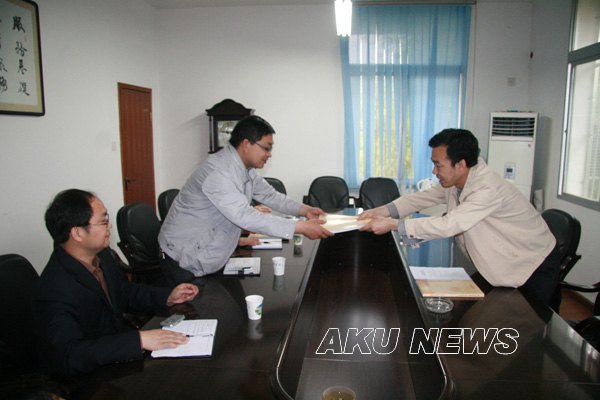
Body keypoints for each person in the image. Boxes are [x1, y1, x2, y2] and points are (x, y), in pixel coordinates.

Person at [358, 128, 560, 308]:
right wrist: (380, 211)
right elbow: (420, 198)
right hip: (504, 258)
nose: (434, 171)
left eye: (438, 165)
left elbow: (449, 224)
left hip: (532, 264)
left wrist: (393, 224)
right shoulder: (457, 181)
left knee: (532, 325)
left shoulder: (487, 188)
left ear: (461, 164)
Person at [35, 189, 199, 377]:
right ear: (78, 233)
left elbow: (123, 292)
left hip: (115, 360)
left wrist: (167, 296)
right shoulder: (54, 289)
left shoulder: (102, 256)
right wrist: (138, 341)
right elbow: (70, 355)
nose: (110, 226)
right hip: (89, 378)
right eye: (103, 221)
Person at [158, 115, 333, 283]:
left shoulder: (245, 169)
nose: (270, 154)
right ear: (246, 144)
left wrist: (304, 210)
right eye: (266, 148)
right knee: (195, 303)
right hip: (182, 256)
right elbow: (244, 215)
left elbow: (269, 195)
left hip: (208, 252)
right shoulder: (219, 172)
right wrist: (300, 227)